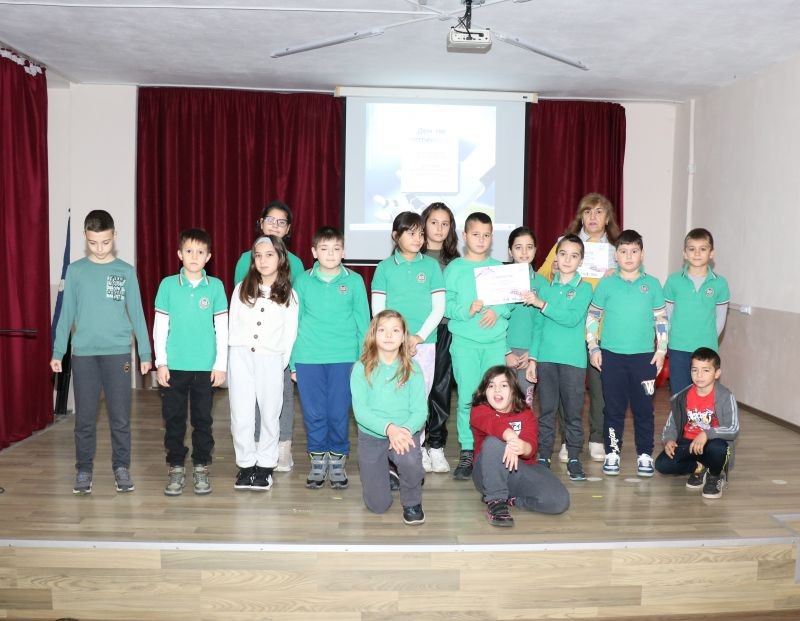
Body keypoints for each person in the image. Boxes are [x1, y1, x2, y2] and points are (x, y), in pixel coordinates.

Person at [50, 210, 152, 495]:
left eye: (105, 242)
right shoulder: (76, 271)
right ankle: (83, 469)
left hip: (118, 354)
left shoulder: (125, 271)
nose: (99, 248)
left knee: (120, 418)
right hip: (84, 355)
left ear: (114, 236)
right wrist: (58, 351)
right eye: (93, 242)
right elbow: (66, 315)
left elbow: (137, 314)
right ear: (85, 237)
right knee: (84, 419)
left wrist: (145, 354)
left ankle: (121, 467)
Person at [539, 193, 621, 463]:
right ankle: (567, 441)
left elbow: (630, 284)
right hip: (566, 332)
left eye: (599, 212)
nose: (593, 217)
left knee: (600, 389)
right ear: (580, 217)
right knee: (567, 391)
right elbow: (540, 278)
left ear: (607, 218)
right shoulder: (563, 245)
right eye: (587, 212)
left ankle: (597, 437)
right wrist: (552, 272)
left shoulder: (617, 251)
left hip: (602, 330)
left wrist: (617, 276)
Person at [585, 229, 669, 477]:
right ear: (616, 256)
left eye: (634, 251)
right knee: (613, 409)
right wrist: (593, 346)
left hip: (644, 359)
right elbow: (593, 316)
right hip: (611, 357)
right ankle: (612, 452)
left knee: (644, 409)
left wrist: (661, 350)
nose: (629, 256)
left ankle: (645, 454)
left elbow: (661, 320)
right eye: (623, 251)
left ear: (642, 254)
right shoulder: (606, 284)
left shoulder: (652, 285)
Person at [292, 226, 370, 489]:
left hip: (345, 358)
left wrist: (364, 359)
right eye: (324, 249)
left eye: (336, 248)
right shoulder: (302, 281)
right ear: (314, 252)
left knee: (338, 412)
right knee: (314, 413)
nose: (330, 254)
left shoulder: (354, 281)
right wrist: (293, 363)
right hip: (308, 358)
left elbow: (363, 322)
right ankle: (317, 459)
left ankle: (337, 459)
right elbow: (294, 322)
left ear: (344, 251)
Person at [153, 228, 228, 496]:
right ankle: (175, 465)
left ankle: (200, 466)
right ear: (179, 254)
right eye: (189, 251)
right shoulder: (167, 285)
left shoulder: (216, 286)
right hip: (174, 367)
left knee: (202, 420)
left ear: (208, 257)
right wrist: (161, 362)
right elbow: (160, 327)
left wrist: (221, 365)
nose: (194, 256)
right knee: (174, 418)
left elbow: (223, 328)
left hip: (205, 368)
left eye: (200, 252)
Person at [371, 211, 445, 473]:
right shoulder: (384, 268)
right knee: (392, 396)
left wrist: (418, 336)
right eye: (411, 233)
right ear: (395, 235)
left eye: (420, 233)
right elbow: (378, 311)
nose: (418, 238)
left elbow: (439, 308)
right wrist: (398, 339)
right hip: (391, 345)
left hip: (424, 344)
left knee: (419, 399)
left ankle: (417, 446)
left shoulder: (431, 267)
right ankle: (393, 449)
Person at [234, 201, 303, 472]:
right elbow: (242, 303)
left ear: (288, 229)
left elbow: (295, 307)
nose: (275, 225)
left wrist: (287, 354)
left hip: (278, 345)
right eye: (270, 220)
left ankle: (282, 446)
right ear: (261, 223)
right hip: (250, 347)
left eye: (281, 222)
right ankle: (253, 445)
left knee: (280, 397)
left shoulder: (296, 263)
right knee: (248, 399)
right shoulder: (246, 259)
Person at [444, 212, 511, 480]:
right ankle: (468, 449)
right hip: (465, 344)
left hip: (495, 343)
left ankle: (491, 448)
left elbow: (511, 301)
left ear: (492, 238)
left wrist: (498, 310)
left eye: (486, 235)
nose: (481, 240)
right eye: (475, 234)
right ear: (464, 236)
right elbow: (445, 305)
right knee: (468, 398)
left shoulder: (499, 267)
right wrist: (466, 310)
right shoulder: (454, 268)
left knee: (497, 397)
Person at [524, 234, 593, 480]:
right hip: (546, 359)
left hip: (573, 361)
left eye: (574, 256)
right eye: (563, 254)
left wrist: (542, 304)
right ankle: (543, 456)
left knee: (573, 413)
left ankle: (574, 457)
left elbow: (572, 318)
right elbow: (538, 328)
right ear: (556, 256)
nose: (567, 259)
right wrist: (533, 359)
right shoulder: (545, 288)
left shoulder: (584, 289)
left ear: (581, 260)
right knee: (546, 412)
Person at [351, 310, 427, 525]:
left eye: (395, 330)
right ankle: (389, 474)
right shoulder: (360, 368)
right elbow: (361, 412)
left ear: (403, 337)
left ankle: (412, 502)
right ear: (373, 335)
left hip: (404, 433)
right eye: (382, 330)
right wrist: (389, 429)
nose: (388, 335)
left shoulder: (413, 369)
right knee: (378, 505)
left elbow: (420, 412)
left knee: (410, 460)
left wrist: (404, 431)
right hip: (372, 436)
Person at [470, 366, 570, 527]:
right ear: (484, 391)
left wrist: (523, 447)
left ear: (513, 391)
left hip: (517, 470)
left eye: (504, 385)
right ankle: (495, 502)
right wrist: (510, 437)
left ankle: (512, 500)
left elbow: (531, 447)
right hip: (486, 474)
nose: (497, 390)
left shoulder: (525, 413)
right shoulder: (479, 410)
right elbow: (492, 424)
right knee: (494, 443)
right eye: (491, 385)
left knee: (559, 501)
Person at [655, 347, 739, 499]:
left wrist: (706, 434)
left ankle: (714, 475)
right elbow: (671, 425)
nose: (699, 375)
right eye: (695, 370)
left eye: (706, 370)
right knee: (662, 464)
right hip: (689, 444)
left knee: (718, 448)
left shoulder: (726, 396)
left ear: (717, 373)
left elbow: (733, 428)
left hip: (712, 444)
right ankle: (700, 468)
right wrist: (669, 440)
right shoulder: (682, 397)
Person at [419, 202, 460, 473]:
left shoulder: (456, 262)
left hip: (445, 330)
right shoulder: (413, 257)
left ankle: (436, 445)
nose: (439, 228)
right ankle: (418, 444)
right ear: (424, 224)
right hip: (418, 333)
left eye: (445, 224)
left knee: (441, 389)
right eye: (434, 222)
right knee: (417, 388)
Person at [663, 228, 730, 395]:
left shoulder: (720, 284)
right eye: (692, 249)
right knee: (680, 394)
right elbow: (667, 315)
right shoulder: (673, 281)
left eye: (703, 249)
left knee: (704, 394)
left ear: (711, 253)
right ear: (685, 254)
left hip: (706, 348)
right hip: (678, 347)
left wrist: (708, 340)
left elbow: (720, 319)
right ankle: (681, 415)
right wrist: (668, 340)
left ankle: (701, 416)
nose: (697, 253)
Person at [505, 226, 547, 406]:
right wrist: (506, 351)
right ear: (510, 251)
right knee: (502, 402)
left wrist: (532, 353)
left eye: (529, 247)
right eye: (518, 247)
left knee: (524, 404)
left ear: (535, 250)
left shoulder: (542, 283)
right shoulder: (500, 279)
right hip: (503, 349)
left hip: (530, 352)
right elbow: (495, 320)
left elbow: (543, 323)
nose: (524, 252)